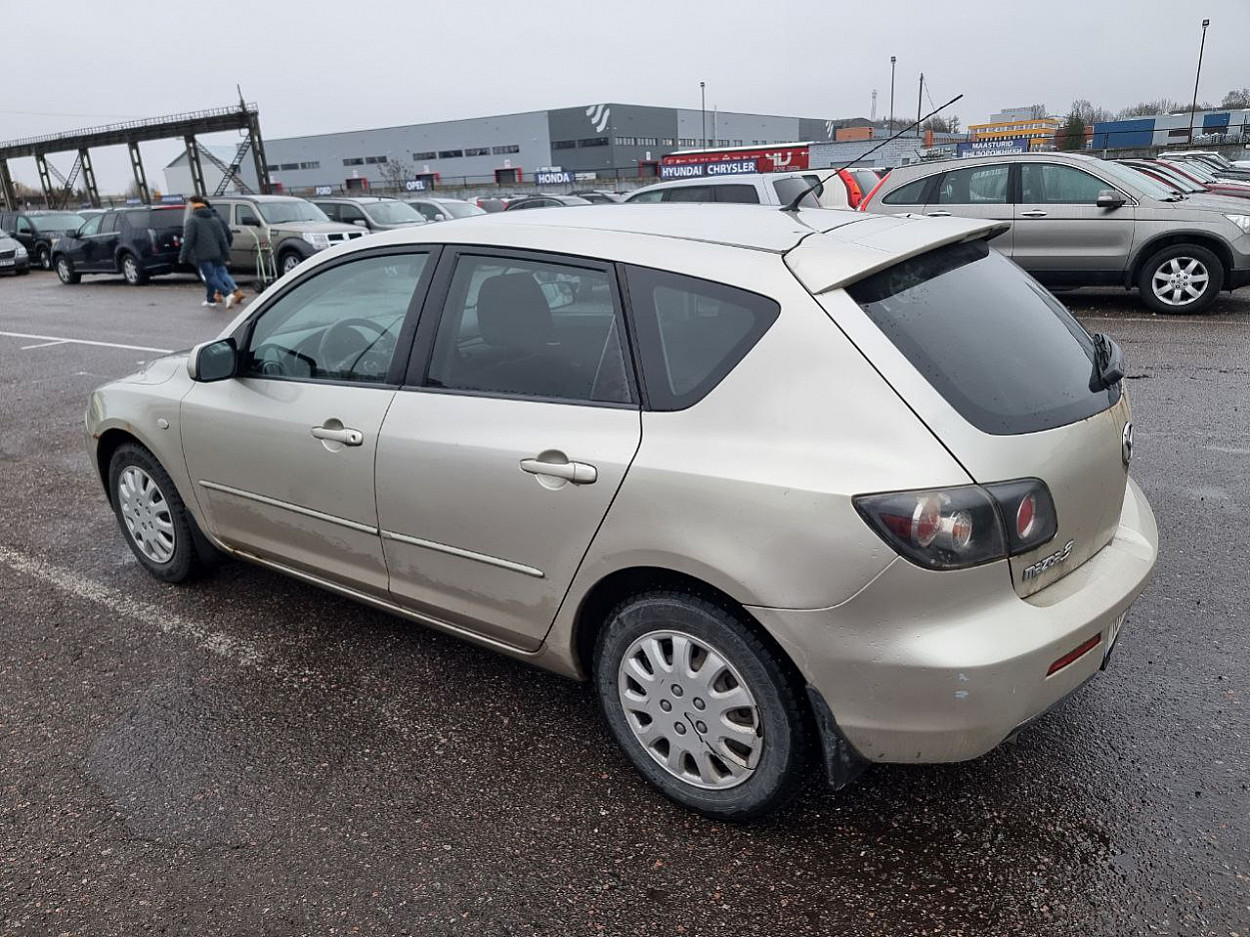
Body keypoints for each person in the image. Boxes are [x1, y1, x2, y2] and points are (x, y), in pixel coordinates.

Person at [179, 195, 246, 308]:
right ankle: (211, 299)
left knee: (210, 277)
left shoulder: (192, 221)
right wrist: (227, 256)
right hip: (217, 253)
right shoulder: (214, 219)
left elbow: (188, 240)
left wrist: (183, 256)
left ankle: (227, 293)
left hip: (203, 254)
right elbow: (223, 239)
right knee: (217, 275)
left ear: (194, 205)